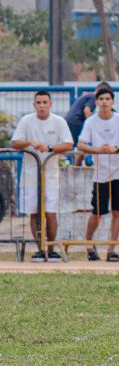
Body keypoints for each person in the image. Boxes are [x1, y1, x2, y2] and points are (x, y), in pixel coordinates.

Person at [10, 90, 76, 261]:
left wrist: (50, 148)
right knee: (34, 213)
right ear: (34, 105)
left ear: (50, 104)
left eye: (45, 102)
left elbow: (69, 144)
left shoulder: (59, 121)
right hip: (30, 175)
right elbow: (15, 142)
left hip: (51, 175)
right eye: (38, 103)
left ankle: (51, 248)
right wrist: (30, 142)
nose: (42, 106)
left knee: (50, 213)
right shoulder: (26, 120)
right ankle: (41, 248)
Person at [75, 84, 119, 262]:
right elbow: (80, 144)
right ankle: (89, 245)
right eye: (101, 99)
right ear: (96, 102)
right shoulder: (91, 121)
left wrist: (116, 149)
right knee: (98, 212)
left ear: (113, 101)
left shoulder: (118, 119)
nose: (104, 102)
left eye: (107, 99)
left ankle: (111, 249)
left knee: (117, 212)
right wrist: (97, 149)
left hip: (118, 173)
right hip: (100, 174)